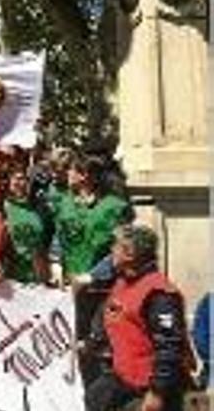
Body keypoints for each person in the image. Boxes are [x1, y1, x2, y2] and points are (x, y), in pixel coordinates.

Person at [86, 224, 194, 411]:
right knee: (94, 397)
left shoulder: (159, 294)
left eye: (116, 246)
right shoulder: (123, 281)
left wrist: (157, 393)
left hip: (148, 387)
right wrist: (88, 344)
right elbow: (112, 318)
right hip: (122, 377)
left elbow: (169, 347)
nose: (111, 251)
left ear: (129, 254)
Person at [50, 154, 131, 285]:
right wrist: (56, 262)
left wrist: (94, 275)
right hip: (68, 283)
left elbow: (122, 248)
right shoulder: (65, 203)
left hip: (101, 285)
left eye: (71, 170)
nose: (67, 173)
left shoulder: (114, 207)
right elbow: (59, 235)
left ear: (84, 175)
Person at [0, 165, 51, 283]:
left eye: (25, 179)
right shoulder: (0, 207)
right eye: (17, 178)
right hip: (12, 275)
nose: (21, 183)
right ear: (8, 181)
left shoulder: (40, 207)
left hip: (39, 272)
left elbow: (48, 238)